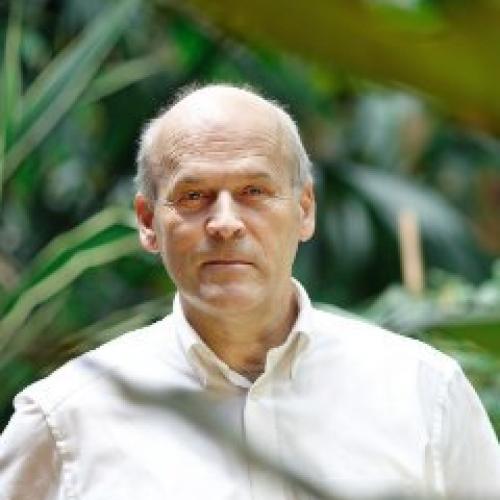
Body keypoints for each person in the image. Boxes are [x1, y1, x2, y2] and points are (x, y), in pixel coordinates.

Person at [0, 83, 499, 500]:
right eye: (194, 196)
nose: (224, 222)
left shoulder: (422, 393)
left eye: (253, 192)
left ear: (304, 210)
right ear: (149, 222)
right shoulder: (65, 422)